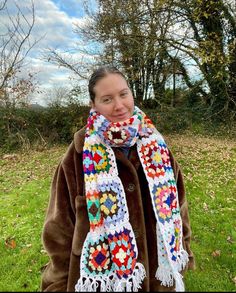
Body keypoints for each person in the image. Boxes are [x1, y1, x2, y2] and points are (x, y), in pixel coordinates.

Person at [41, 66, 195, 292]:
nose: (119, 105)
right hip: (103, 283)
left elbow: (179, 207)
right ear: (93, 104)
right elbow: (58, 230)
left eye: (124, 94)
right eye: (107, 99)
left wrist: (184, 249)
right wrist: (57, 284)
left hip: (158, 280)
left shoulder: (157, 148)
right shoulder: (77, 156)